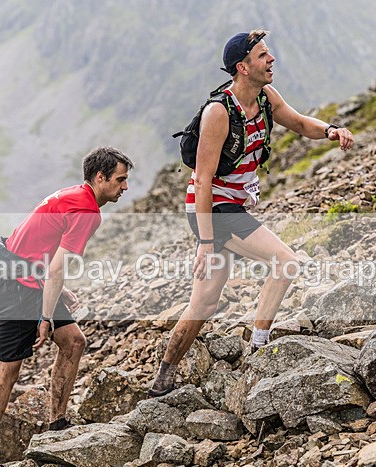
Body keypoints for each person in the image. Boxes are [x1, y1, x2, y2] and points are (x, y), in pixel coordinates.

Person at [148, 30, 354, 397]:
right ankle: (259, 349)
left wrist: (332, 131)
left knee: (205, 303)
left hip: (232, 205)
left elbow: (300, 123)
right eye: (262, 56)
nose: (271, 59)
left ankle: (163, 376)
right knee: (286, 261)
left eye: (269, 53)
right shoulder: (218, 112)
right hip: (211, 207)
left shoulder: (265, 96)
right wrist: (206, 243)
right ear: (242, 67)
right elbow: (204, 179)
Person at [0, 146, 133, 467]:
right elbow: (57, 268)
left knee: (73, 341)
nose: (125, 187)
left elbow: (37, 246)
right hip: (16, 289)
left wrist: (51, 292)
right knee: (6, 374)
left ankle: (56, 423)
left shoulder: (73, 195)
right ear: (100, 178)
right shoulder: (87, 210)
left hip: (27, 279)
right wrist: (44, 317)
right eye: (120, 179)